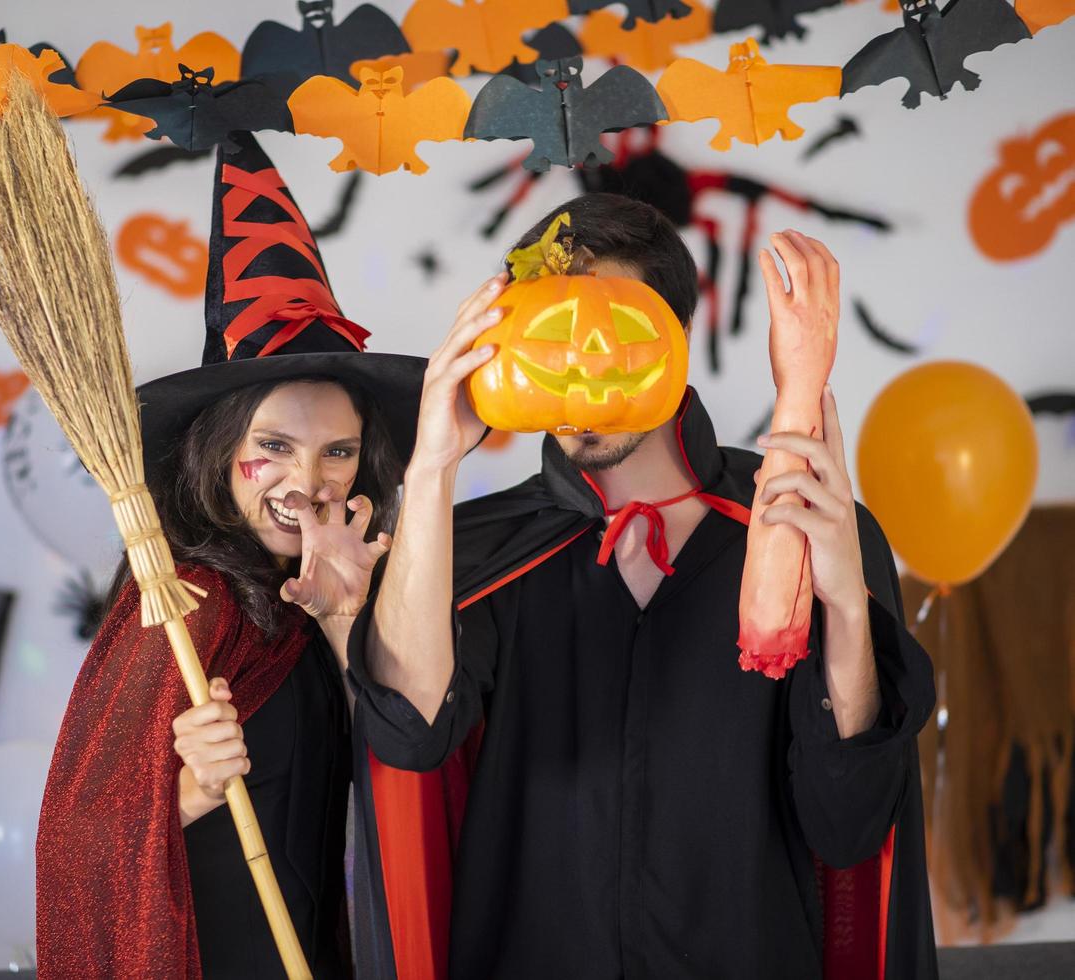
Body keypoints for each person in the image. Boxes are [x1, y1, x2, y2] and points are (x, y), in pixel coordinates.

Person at [346, 193, 939, 978]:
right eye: (547, 339)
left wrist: (844, 612)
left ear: (677, 338)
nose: (579, 370)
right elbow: (410, 734)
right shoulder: (473, 547)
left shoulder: (809, 521)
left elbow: (851, 826)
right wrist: (431, 470)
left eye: (612, 332)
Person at [34, 132, 426, 978]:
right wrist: (191, 791)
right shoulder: (190, 600)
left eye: (337, 452)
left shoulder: (356, 592)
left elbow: (402, 782)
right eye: (275, 447)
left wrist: (345, 626)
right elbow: (78, 846)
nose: (307, 481)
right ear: (219, 453)